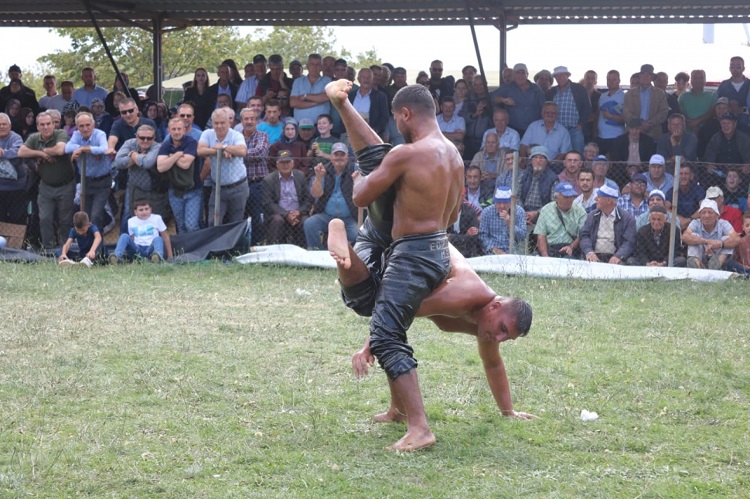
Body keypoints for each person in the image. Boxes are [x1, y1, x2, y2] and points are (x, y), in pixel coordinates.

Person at [324, 79, 464, 451]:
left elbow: (361, 195)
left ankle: (420, 428)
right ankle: (400, 411)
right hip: (437, 248)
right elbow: (453, 212)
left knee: (383, 331)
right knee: (380, 314)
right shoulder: (454, 155)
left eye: (396, 119)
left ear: (406, 114)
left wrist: (358, 179)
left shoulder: (407, 153)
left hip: (411, 251)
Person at [344, 238, 533, 424]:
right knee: (363, 300)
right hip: (410, 244)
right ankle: (342, 241)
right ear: (495, 306)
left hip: (417, 262)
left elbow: (493, 364)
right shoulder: (462, 295)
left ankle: (398, 411)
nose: (499, 338)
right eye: (503, 329)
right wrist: (367, 346)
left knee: (392, 331)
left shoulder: (488, 324)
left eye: (507, 337)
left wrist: (509, 412)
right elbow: (395, 313)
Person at [18, 111, 74, 249]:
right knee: (45, 218)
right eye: (42, 125)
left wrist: (44, 150)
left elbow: (60, 150)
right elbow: (21, 152)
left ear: (53, 124)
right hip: (46, 186)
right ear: (37, 127)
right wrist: (40, 153)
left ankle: (66, 249)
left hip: (65, 185)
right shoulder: (34, 138)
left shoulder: (60, 134)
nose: (46, 127)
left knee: (65, 220)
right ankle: (49, 249)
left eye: (48, 124)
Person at [197, 108, 249, 225]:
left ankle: (235, 244)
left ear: (229, 122)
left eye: (222, 123)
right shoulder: (207, 134)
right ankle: (216, 244)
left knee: (236, 222)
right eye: (216, 123)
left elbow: (242, 151)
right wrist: (217, 152)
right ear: (212, 122)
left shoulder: (236, 135)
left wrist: (223, 147)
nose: (219, 126)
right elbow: (200, 150)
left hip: (238, 187)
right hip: (218, 188)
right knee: (213, 222)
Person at [305, 142, 357, 249]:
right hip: (327, 216)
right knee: (310, 224)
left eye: (342, 155)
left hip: (349, 217)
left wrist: (358, 179)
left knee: (357, 234)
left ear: (347, 157)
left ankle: (348, 257)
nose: (339, 158)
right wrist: (319, 177)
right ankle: (318, 254)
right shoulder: (323, 170)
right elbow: (316, 194)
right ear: (331, 157)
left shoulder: (355, 169)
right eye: (336, 155)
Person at [157, 117, 201, 234]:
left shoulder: (191, 142)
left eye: (179, 129)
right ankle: (183, 251)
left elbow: (185, 164)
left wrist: (170, 157)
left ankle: (197, 250)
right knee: (180, 225)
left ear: (184, 130)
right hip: (174, 191)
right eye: (174, 129)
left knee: (191, 225)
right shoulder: (166, 145)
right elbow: (160, 167)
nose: (176, 132)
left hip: (193, 190)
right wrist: (177, 155)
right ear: (169, 130)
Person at [263, 150, 312, 247]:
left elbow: (308, 200)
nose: (285, 165)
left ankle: (304, 250)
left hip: (298, 213)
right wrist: (286, 214)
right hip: (279, 214)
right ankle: (273, 251)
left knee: (307, 221)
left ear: (293, 163)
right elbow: (268, 203)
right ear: (277, 164)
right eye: (282, 162)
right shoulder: (268, 180)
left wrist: (299, 212)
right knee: (277, 220)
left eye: (287, 162)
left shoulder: (300, 176)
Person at [579, 184, 637, 264]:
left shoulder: (627, 219)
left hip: (615, 256)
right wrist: (589, 252)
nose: (595, 199)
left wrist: (618, 256)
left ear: (608, 200)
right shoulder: (592, 216)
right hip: (594, 255)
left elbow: (629, 242)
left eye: (599, 197)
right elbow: (584, 236)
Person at [682, 199, 740, 269]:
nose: (707, 215)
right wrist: (707, 241)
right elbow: (684, 237)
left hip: (718, 256)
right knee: (694, 236)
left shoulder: (723, 223)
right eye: (703, 212)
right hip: (701, 256)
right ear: (699, 215)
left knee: (727, 238)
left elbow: (736, 239)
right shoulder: (695, 223)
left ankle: (715, 267)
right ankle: (697, 268)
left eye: (710, 212)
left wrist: (720, 244)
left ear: (717, 215)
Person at [110, 198, 172, 264]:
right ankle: (116, 257)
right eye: (141, 210)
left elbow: (165, 237)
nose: (144, 212)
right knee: (124, 236)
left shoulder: (157, 218)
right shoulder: (131, 221)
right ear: (135, 212)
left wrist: (170, 256)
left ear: (151, 209)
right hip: (138, 249)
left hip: (151, 249)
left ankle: (158, 258)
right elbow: (132, 238)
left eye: (146, 209)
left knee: (158, 238)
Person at [534, 182, 586, 258]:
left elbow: (581, 235)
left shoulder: (580, 211)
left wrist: (571, 247)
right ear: (556, 198)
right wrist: (545, 256)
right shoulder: (546, 210)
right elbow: (541, 236)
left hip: (571, 248)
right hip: (551, 247)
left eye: (571, 197)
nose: (569, 200)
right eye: (566, 197)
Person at [479, 186, 527, 255]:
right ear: (494, 202)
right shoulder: (487, 212)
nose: (502, 206)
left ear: (511, 202)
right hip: (492, 252)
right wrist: (495, 249)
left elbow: (522, 236)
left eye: (505, 202)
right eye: (499, 202)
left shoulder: (519, 211)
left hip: (514, 252)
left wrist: (510, 224)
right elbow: (482, 236)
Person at [664, 163, 705, 230]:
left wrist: (689, 220)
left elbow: (703, 207)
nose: (683, 176)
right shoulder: (672, 191)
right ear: (676, 176)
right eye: (681, 174)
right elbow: (665, 208)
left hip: (695, 224)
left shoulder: (698, 190)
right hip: (677, 224)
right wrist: (680, 219)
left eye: (686, 174)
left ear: (691, 176)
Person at [726, 211, 750, 276]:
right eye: (747, 226)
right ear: (743, 227)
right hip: (744, 268)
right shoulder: (739, 242)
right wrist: (744, 267)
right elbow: (736, 260)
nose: (749, 228)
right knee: (730, 264)